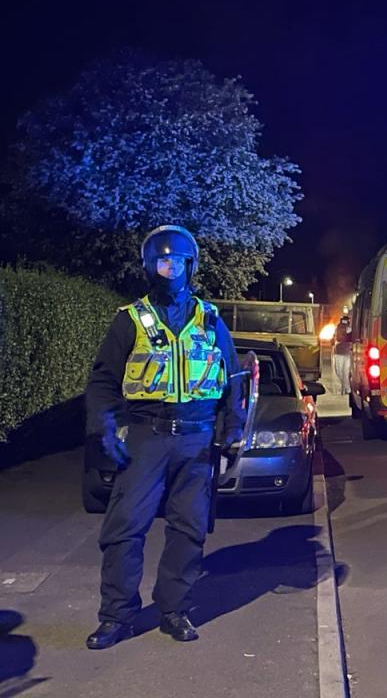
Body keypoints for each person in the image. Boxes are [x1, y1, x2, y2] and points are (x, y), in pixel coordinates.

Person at [85, 225, 245, 650]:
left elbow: (232, 380)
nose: (169, 268)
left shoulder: (209, 318)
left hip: (196, 439)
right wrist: (105, 425)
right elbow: (102, 381)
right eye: (162, 260)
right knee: (123, 529)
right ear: (149, 266)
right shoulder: (130, 320)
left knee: (189, 530)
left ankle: (174, 610)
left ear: (190, 266)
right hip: (145, 436)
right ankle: (116, 616)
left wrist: (233, 430)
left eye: (177, 261)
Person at [333, 315, 352, 395]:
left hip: (346, 353)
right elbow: (336, 338)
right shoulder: (337, 328)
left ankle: (347, 389)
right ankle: (345, 388)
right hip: (339, 352)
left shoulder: (349, 329)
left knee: (344, 372)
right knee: (340, 372)